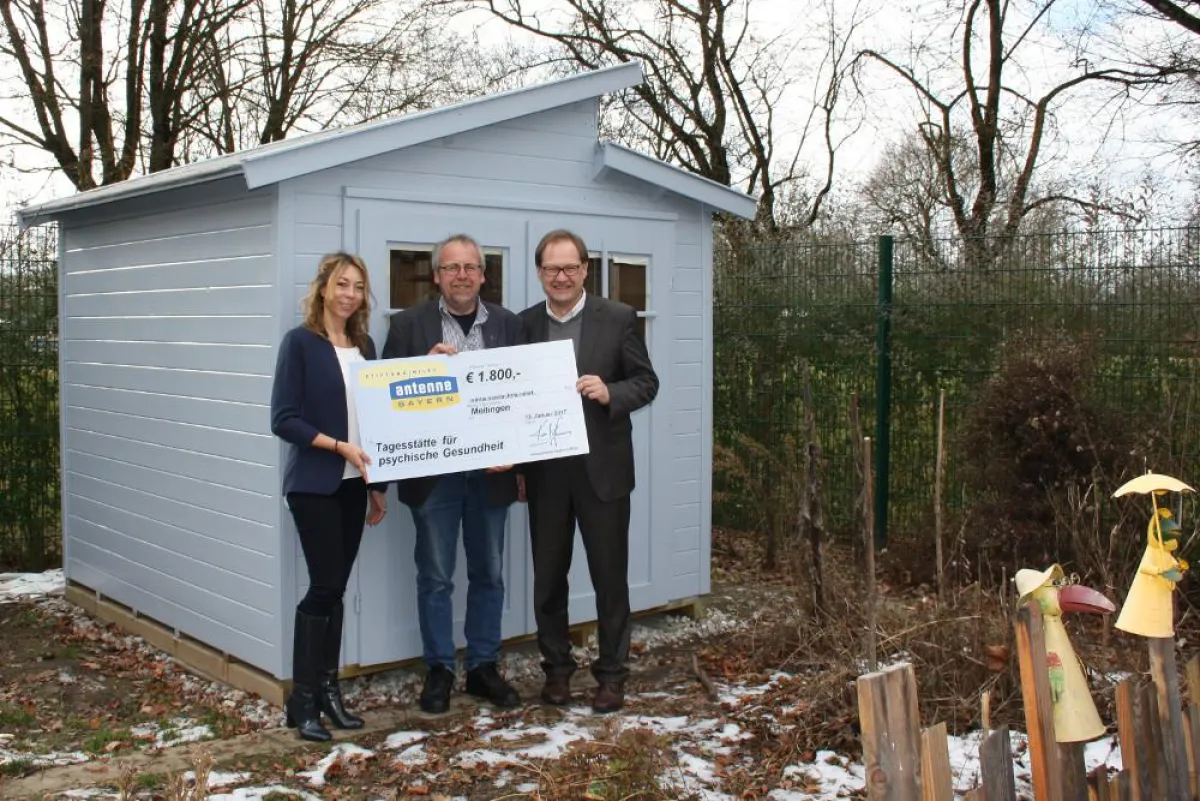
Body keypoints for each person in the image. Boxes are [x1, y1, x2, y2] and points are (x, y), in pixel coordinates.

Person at [382, 233, 526, 714]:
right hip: (435, 475)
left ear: (483, 275)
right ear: (437, 275)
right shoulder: (407, 327)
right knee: (437, 576)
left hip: (491, 472)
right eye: (451, 268)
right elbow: (384, 401)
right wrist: (421, 370)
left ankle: (483, 667)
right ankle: (440, 669)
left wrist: (519, 455)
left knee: (490, 573)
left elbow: (526, 398)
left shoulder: (509, 325)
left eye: (470, 267)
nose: (461, 275)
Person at [519, 229, 659, 713]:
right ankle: (557, 672)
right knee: (548, 581)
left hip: (603, 473)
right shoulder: (524, 325)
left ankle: (612, 676)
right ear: (539, 273)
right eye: (551, 268)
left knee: (609, 579)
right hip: (546, 475)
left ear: (584, 270)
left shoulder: (618, 318)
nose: (561, 276)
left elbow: (647, 382)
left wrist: (611, 393)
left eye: (570, 267)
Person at [270, 252, 389, 742]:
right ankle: (302, 701)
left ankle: (328, 692)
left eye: (358, 287)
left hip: (353, 487)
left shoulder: (365, 345)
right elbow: (283, 419)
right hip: (315, 484)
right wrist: (337, 445)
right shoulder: (300, 343)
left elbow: (379, 420)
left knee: (335, 588)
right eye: (342, 284)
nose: (350, 294)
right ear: (323, 288)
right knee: (323, 587)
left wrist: (377, 487)